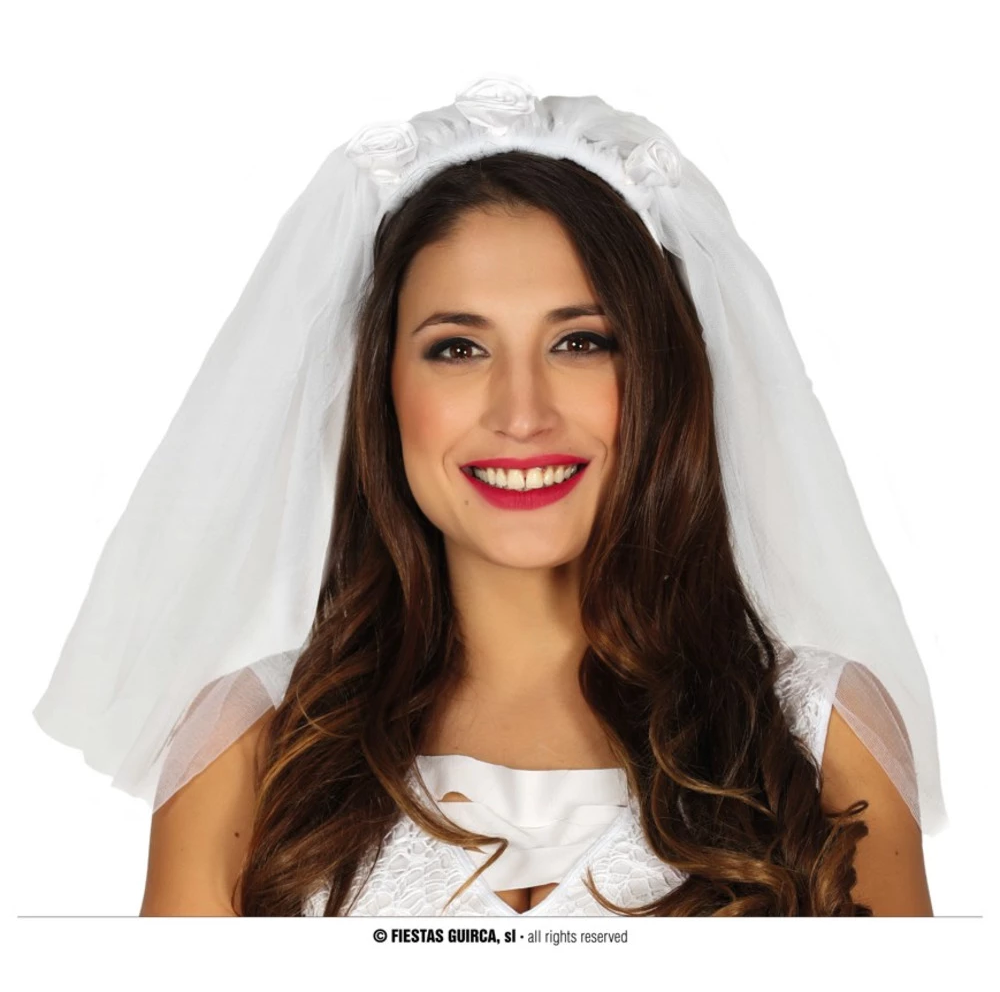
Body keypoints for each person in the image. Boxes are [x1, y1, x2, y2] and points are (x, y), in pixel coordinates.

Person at [33, 75, 945, 916]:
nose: (522, 413)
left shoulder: (818, 735)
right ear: (383, 389)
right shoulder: (252, 746)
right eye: (458, 348)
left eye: (580, 342)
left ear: (660, 375)